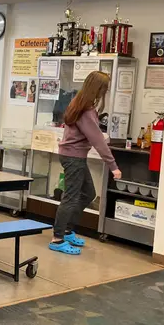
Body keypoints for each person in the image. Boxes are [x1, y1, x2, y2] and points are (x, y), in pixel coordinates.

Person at [51, 71, 122, 255]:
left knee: (88, 193)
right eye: (104, 89)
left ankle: (66, 230)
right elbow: (97, 140)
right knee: (70, 197)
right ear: (98, 89)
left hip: (74, 156)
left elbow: (92, 136)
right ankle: (57, 239)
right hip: (74, 157)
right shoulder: (86, 110)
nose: (104, 93)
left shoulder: (79, 103)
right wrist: (113, 166)